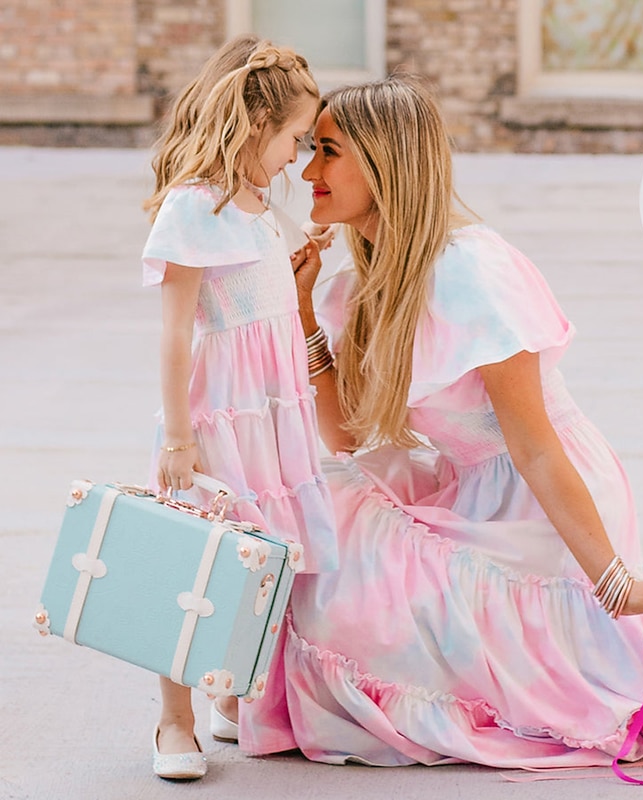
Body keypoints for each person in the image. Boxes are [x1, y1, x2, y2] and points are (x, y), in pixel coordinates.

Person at [237, 75, 643, 769]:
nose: (308, 170)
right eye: (309, 149)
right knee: (326, 505)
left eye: (329, 151)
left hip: (541, 498)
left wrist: (613, 583)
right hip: (469, 487)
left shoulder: (472, 272)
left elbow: (537, 447)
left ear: (384, 160)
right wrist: (306, 313)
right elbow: (343, 436)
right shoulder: (359, 285)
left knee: (356, 565)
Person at [140, 38, 337, 780]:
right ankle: (172, 721)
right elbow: (176, 330)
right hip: (220, 417)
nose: (296, 158)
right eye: (293, 140)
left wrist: (292, 274)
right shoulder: (197, 204)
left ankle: (226, 694)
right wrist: (181, 437)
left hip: (270, 418)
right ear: (255, 125)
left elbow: (257, 303)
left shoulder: (256, 211)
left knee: (258, 561)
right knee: (194, 564)